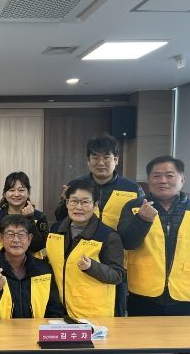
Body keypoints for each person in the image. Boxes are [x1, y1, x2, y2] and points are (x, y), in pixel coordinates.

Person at [118, 155, 190, 316]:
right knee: (142, 333)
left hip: (185, 294)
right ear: (148, 180)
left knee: (183, 334)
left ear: (182, 179)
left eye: (169, 175)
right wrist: (141, 220)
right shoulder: (133, 207)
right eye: (156, 176)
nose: (163, 180)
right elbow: (126, 243)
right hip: (143, 294)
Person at [53, 134, 142, 316]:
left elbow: (137, 229)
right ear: (88, 161)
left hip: (116, 257)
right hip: (80, 252)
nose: (101, 162)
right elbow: (61, 218)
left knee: (113, 307)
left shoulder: (132, 189)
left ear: (116, 160)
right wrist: (63, 202)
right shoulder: (76, 185)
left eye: (106, 157)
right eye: (95, 157)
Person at [46, 180, 125, 318]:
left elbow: (118, 275)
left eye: (85, 202)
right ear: (67, 203)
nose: (78, 207)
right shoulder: (55, 230)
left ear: (95, 205)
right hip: (59, 311)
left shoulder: (108, 236)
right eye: (74, 201)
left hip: (94, 314)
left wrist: (92, 267)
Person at [0, 215, 63, 319]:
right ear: (1, 238)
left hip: (36, 328)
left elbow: (55, 311)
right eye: (10, 234)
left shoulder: (44, 270)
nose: (16, 240)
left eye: (21, 234)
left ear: (29, 239)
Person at [0, 171, 48, 260]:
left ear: (28, 193)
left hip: (32, 266)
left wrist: (29, 219)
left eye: (21, 190)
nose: (16, 194)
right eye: (11, 190)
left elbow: (38, 246)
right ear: (4, 194)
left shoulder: (39, 217)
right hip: (0, 266)